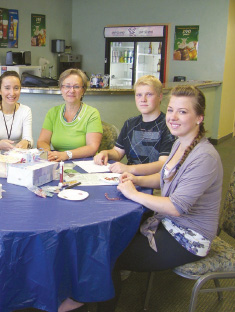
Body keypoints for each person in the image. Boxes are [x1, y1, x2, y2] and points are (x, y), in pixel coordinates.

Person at [95, 85, 223, 312]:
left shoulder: (204, 156)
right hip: (167, 223)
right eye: (171, 110)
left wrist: (133, 194)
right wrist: (136, 178)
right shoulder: (180, 143)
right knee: (109, 235)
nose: (173, 117)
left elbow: (175, 207)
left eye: (182, 112)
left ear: (199, 118)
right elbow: (164, 178)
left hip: (188, 238)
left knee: (108, 254)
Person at [94, 75, 175, 175]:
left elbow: (163, 163)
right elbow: (118, 153)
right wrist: (105, 153)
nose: (143, 99)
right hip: (129, 178)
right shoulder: (130, 123)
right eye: (139, 95)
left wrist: (130, 169)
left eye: (149, 94)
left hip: (155, 183)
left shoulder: (168, 126)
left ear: (160, 97)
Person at [37, 68, 103, 162]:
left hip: (85, 163)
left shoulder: (92, 113)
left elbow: (92, 147)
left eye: (76, 87)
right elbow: (42, 141)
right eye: (67, 86)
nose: (71, 90)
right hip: (58, 161)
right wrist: (48, 153)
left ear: (83, 90)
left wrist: (66, 155)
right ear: (61, 89)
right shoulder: (52, 112)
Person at [0, 71, 33, 151]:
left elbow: (29, 139)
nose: (12, 93)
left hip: (17, 156)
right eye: (7, 88)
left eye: (16, 88)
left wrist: (26, 142)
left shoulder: (26, 110)